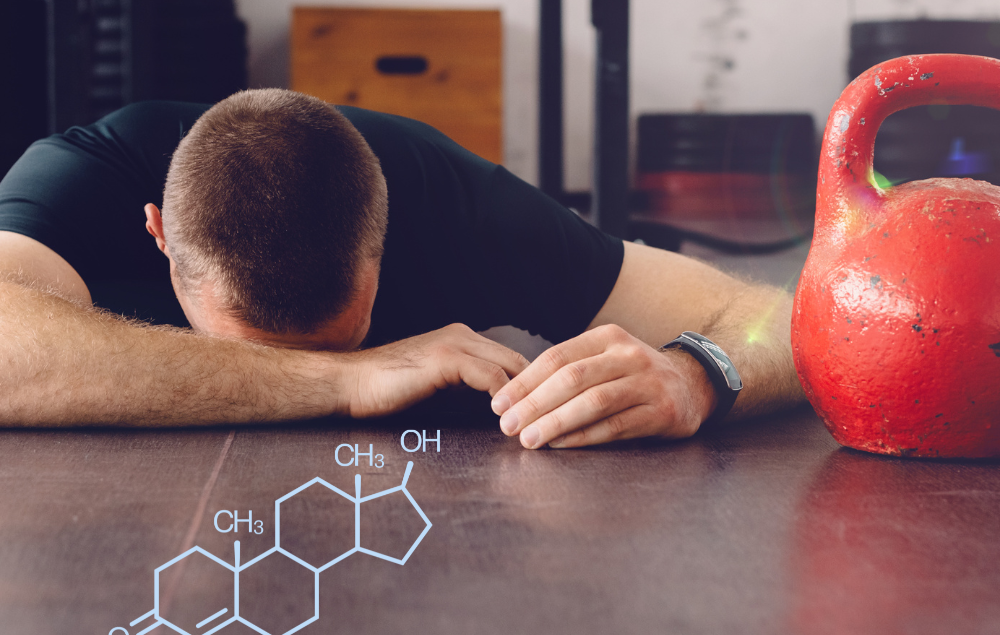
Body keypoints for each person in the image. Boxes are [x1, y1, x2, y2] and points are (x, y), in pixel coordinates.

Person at [0, 89, 804, 445]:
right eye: (248, 351)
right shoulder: (85, 177)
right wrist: (346, 380)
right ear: (158, 236)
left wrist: (699, 374)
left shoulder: (455, 201)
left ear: (387, 242)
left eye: (335, 344)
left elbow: (785, 319)